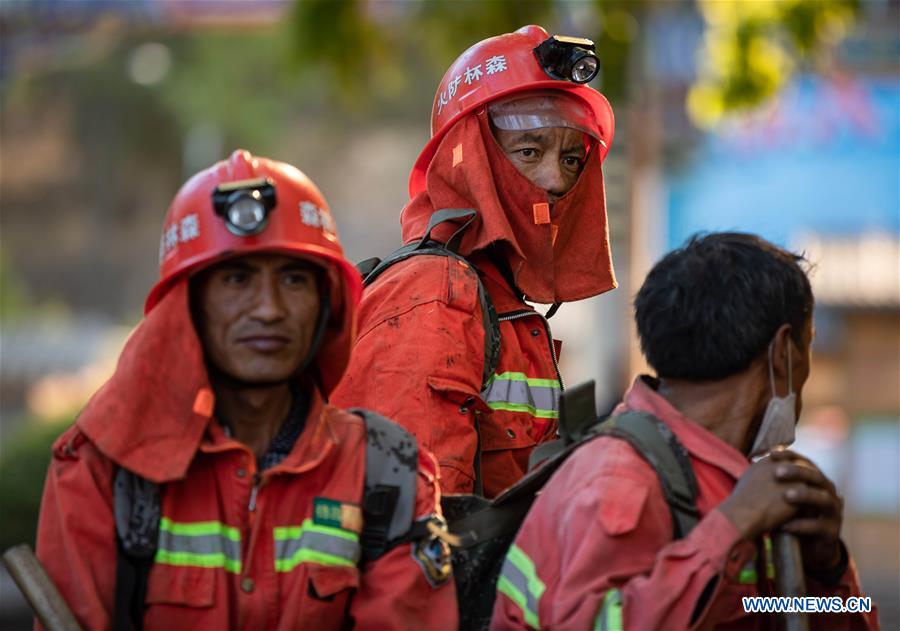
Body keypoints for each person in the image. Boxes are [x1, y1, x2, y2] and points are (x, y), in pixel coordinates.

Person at [35, 150, 458, 630]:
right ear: (186, 304)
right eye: (237, 279)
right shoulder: (102, 473)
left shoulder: (388, 473)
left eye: (294, 279)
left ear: (327, 304)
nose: (269, 309)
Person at [492, 233, 880, 630]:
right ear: (783, 352)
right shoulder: (618, 479)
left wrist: (829, 571)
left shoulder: (738, 485)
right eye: (808, 344)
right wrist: (729, 528)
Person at [331, 25, 617, 498]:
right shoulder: (434, 293)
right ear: (466, 163)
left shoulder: (500, 304)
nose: (556, 181)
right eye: (529, 151)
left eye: (571, 160)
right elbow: (417, 532)